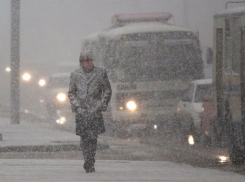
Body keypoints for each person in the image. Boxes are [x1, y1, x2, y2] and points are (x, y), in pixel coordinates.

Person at [68, 50, 112, 173]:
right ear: (81, 62)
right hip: (81, 111)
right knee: (84, 137)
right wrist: (77, 106)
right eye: (86, 61)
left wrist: (101, 104)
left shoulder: (100, 73)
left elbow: (107, 90)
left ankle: (90, 160)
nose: (88, 63)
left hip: (95, 111)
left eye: (90, 61)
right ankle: (86, 157)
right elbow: (71, 92)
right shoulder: (75, 75)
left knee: (93, 137)